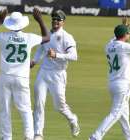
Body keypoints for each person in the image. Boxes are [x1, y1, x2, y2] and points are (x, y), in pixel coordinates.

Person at [0, 8, 50, 140]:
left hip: (5, 77)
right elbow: (47, 38)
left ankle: (6, 137)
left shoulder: (3, 37)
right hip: (22, 78)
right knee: (25, 109)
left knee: (5, 109)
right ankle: (29, 136)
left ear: (9, 24)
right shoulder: (29, 37)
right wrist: (40, 21)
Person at [89, 17, 130, 140]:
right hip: (122, 84)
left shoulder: (108, 46)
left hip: (112, 83)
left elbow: (115, 39)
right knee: (116, 113)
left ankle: (129, 137)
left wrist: (124, 27)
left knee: (123, 113)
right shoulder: (124, 47)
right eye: (128, 33)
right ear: (124, 35)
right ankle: (95, 136)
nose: (129, 34)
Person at [30, 10, 80, 140]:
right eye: (53, 19)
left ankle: (72, 119)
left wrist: (56, 55)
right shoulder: (47, 34)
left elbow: (74, 56)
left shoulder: (67, 37)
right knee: (39, 103)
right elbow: (41, 49)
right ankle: (38, 134)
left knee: (59, 106)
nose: (55, 22)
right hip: (44, 72)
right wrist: (34, 61)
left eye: (58, 20)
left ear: (63, 22)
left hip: (58, 74)